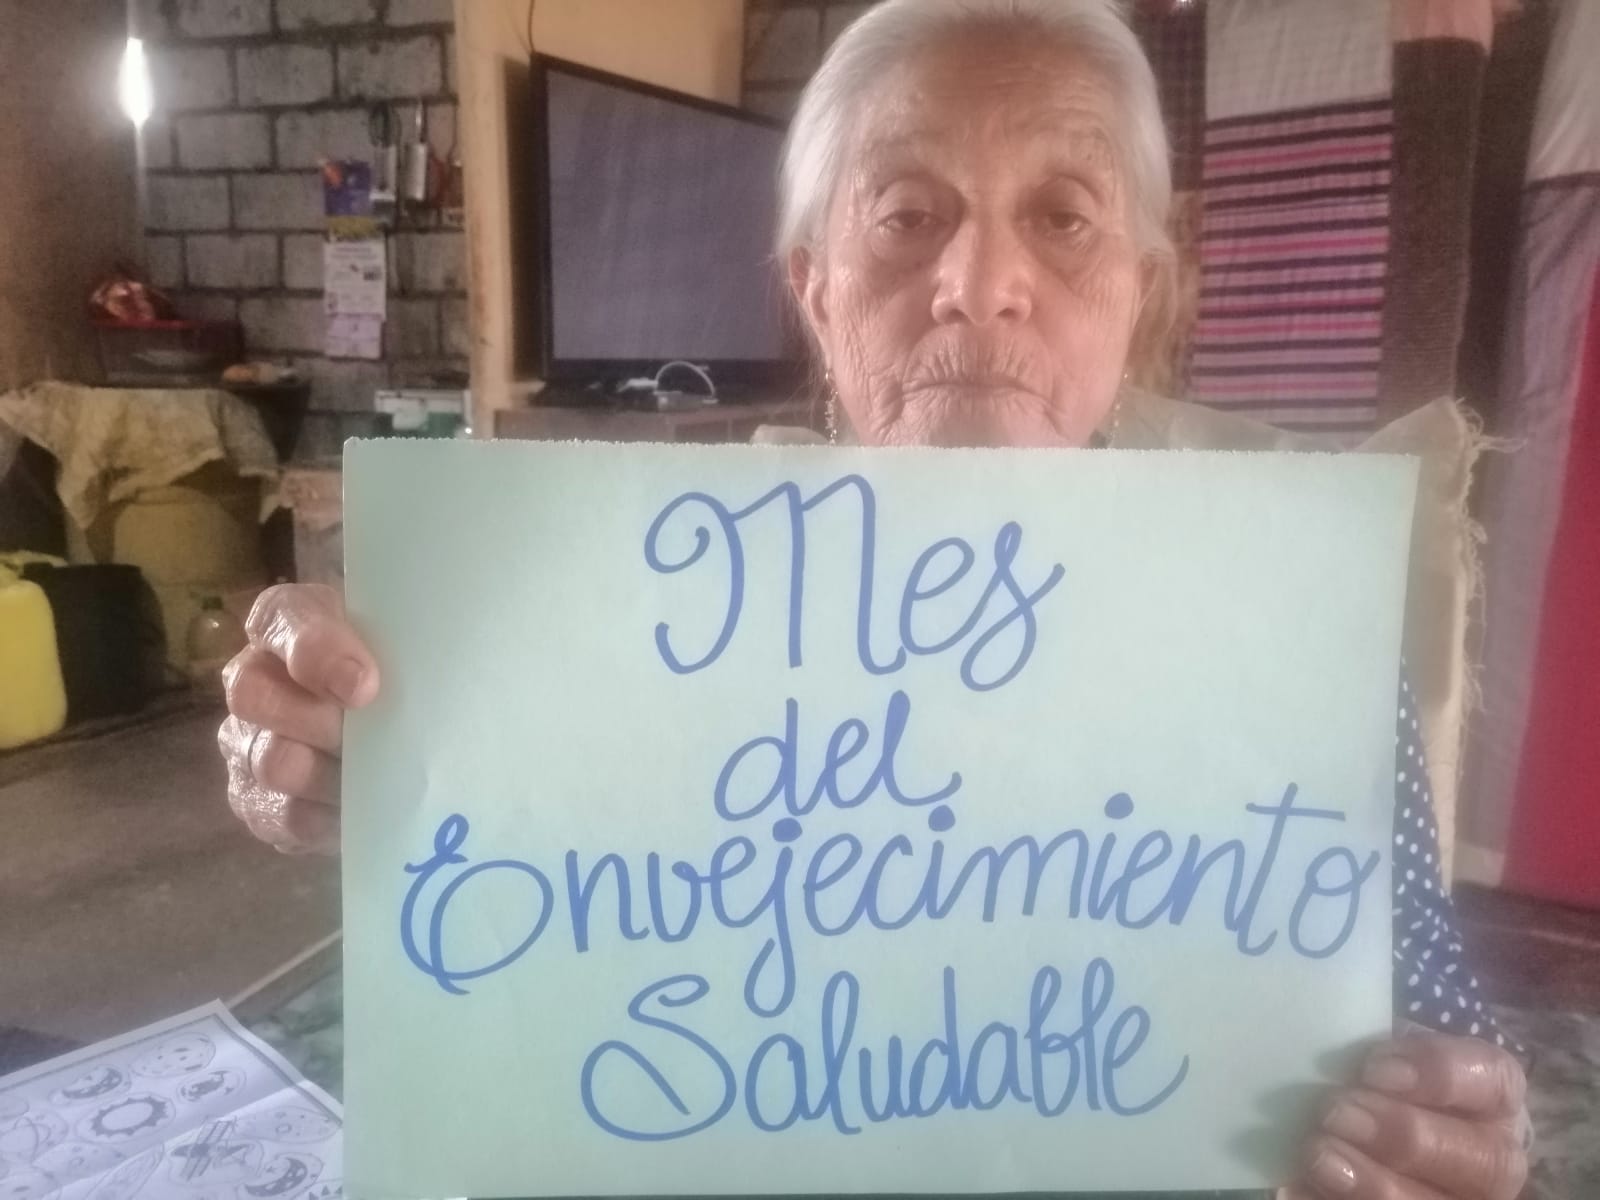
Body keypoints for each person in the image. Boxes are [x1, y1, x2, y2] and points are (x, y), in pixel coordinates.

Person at [218, 3, 1529, 1197]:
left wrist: (1457, 1137)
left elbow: (1429, 1023)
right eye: (906, 216)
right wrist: (351, 746)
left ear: (1143, 285)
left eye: (1064, 217)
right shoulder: (611, 613)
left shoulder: (1289, 633)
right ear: (815, 287)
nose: (979, 282)